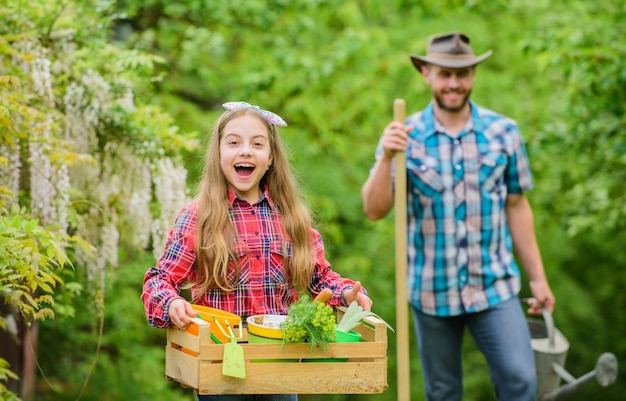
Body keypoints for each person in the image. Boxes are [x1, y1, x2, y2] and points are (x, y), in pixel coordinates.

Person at [361, 32, 555, 401]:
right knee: (443, 392)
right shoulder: (405, 136)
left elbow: (517, 205)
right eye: (444, 73)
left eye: (462, 73)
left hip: (495, 287)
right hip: (431, 290)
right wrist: (386, 156)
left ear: (473, 76)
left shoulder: (504, 132)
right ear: (426, 74)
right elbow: (374, 209)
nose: (454, 83)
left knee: (521, 381)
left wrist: (539, 280)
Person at [143, 101, 373, 401]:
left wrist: (346, 294)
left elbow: (321, 279)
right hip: (221, 365)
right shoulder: (199, 217)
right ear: (219, 153)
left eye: (257, 144)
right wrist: (171, 303)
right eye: (234, 142)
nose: (246, 151)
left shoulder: (290, 218)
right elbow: (159, 281)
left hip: (279, 361)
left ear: (271, 157)